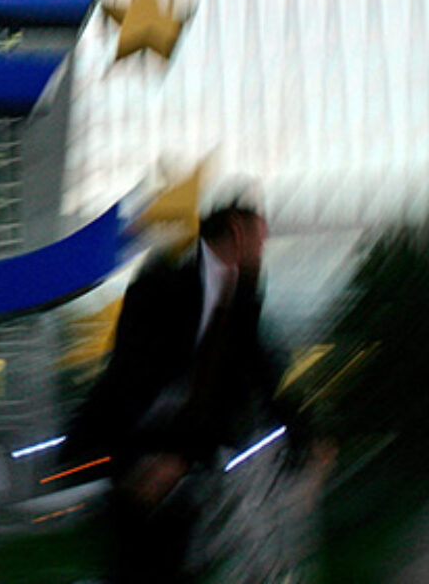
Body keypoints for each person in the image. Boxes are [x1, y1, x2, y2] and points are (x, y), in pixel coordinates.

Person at [65, 183, 305, 583]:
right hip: (136, 454)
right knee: (137, 567)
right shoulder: (163, 283)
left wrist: (304, 432)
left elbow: (256, 368)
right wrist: (152, 457)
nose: (263, 249)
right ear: (235, 230)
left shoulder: (242, 293)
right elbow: (131, 374)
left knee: (179, 563)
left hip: (186, 461)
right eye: (259, 238)